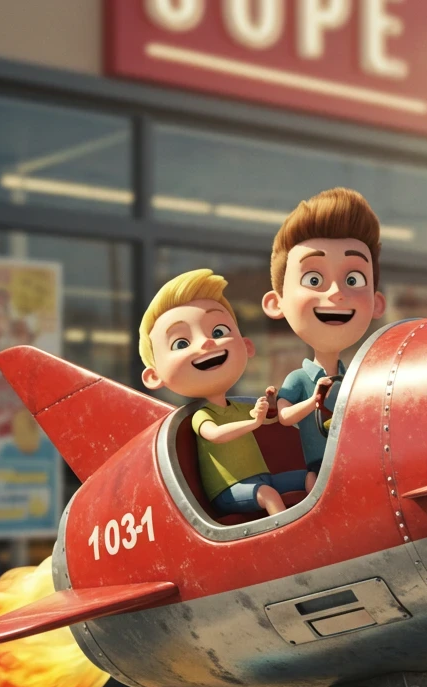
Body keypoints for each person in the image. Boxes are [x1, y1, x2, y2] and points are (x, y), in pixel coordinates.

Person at [138, 269, 302, 519]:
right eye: (181, 343)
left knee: (309, 476)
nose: (206, 343)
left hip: (263, 479)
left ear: (247, 346)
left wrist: (268, 405)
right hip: (228, 491)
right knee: (269, 495)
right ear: (154, 375)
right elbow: (215, 435)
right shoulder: (202, 415)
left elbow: (269, 421)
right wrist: (252, 422)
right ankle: (286, 542)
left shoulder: (238, 407)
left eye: (217, 332)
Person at [263, 188, 387, 492]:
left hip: (360, 463)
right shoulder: (298, 379)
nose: (335, 293)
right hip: (320, 471)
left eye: (353, 280)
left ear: (377, 302)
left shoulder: (357, 377)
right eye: (314, 280)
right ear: (276, 303)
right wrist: (313, 400)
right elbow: (285, 416)